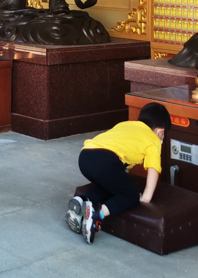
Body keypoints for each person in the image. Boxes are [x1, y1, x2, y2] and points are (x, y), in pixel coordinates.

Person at [66, 102, 171, 244]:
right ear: (160, 131)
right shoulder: (153, 139)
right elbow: (154, 168)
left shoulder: (126, 124)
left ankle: (82, 201)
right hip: (105, 161)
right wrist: (146, 195)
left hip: (85, 157)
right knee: (130, 195)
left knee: (111, 187)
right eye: (163, 134)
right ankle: (97, 215)